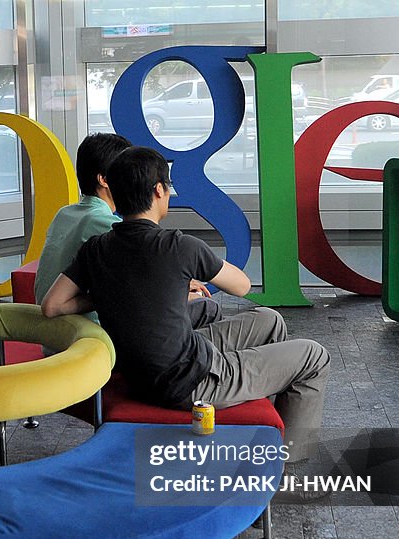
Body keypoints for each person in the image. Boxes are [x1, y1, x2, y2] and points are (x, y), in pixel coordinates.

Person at [41, 147, 329, 463]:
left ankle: (253, 416)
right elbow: (242, 285)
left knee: (270, 320)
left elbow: (52, 305)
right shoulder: (179, 246)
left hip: (145, 371)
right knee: (314, 356)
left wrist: (111, 293)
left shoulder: (96, 248)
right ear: (158, 191)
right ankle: (288, 463)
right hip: (189, 382)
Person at [33, 132, 220, 327]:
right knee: (205, 308)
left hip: (52, 333)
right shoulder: (102, 222)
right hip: (89, 334)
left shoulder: (65, 213)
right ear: (104, 179)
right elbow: (151, 273)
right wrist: (181, 286)